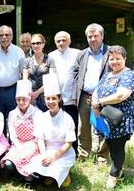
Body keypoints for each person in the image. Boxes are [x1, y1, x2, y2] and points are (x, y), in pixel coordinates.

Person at [91, 46, 134, 189]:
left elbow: (121, 95)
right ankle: (119, 172)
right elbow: (97, 90)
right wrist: (94, 103)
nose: (114, 62)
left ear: (125, 59)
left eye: (118, 58)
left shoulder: (128, 75)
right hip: (106, 118)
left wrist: (100, 102)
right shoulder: (108, 74)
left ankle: (113, 177)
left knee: (117, 148)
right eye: (111, 59)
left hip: (120, 118)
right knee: (109, 143)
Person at [25, 73, 76, 188]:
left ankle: (62, 174)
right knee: (33, 168)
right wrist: (44, 156)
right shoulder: (42, 117)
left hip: (63, 153)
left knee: (58, 174)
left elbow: (69, 143)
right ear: (44, 99)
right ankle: (50, 175)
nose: (51, 101)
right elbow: (41, 139)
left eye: (54, 98)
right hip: (47, 150)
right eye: (48, 98)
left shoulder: (67, 118)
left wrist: (54, 157)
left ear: (59, 99)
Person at [73, 23, 110, 161]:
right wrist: (75, 96)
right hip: (85, 96)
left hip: (104, 98)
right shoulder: (82, 54)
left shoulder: (110, 52)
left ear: (102, 36)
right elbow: (76, 76)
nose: (93, 39)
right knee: (83, 128)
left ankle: (102, 157)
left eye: (96, 36)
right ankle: (83, 154)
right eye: (90, 36)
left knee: (103, 126)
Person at [0, 25, 25, 136]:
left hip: (13, 91)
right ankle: (1, 147)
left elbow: (24, 73)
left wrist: (22, 94)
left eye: (7, 35)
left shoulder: (18, 52)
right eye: (1, 35)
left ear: (12, 36)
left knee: (15, 120)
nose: (4, 37)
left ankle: (14, 146)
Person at [1, 79, 41, 181]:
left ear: (29, 99)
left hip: (33, 145)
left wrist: (29, 147)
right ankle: (17, 171)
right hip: (17, 145)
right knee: (9, 164)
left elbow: (38, 135)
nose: (21, 102)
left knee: (32, 175)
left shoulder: (37, 113)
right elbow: (13, 134)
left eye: (24, 99)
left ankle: (26, 174)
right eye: (18, 99)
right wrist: (19, 147)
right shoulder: (12, 114)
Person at [48, 31, 81, 153]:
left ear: (69, 41)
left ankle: (75, 150)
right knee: (58, 124)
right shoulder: (51, 55)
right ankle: (59, 148)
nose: (61, 43)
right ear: (55, 42)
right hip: (56, 97)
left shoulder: (77, 53)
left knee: (73, 123)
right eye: (58, 41)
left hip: (72, 96)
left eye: (64, 40)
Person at [23, 33, 50, 112]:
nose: (35, 45)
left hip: (46, 97)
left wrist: (36, 93)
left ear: (43, 44)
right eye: (33, 43)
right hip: (31, 97)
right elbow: (25, 80)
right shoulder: (27, 61)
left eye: (38, 43)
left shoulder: (50, 60)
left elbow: (51, 80)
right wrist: (31, 94)